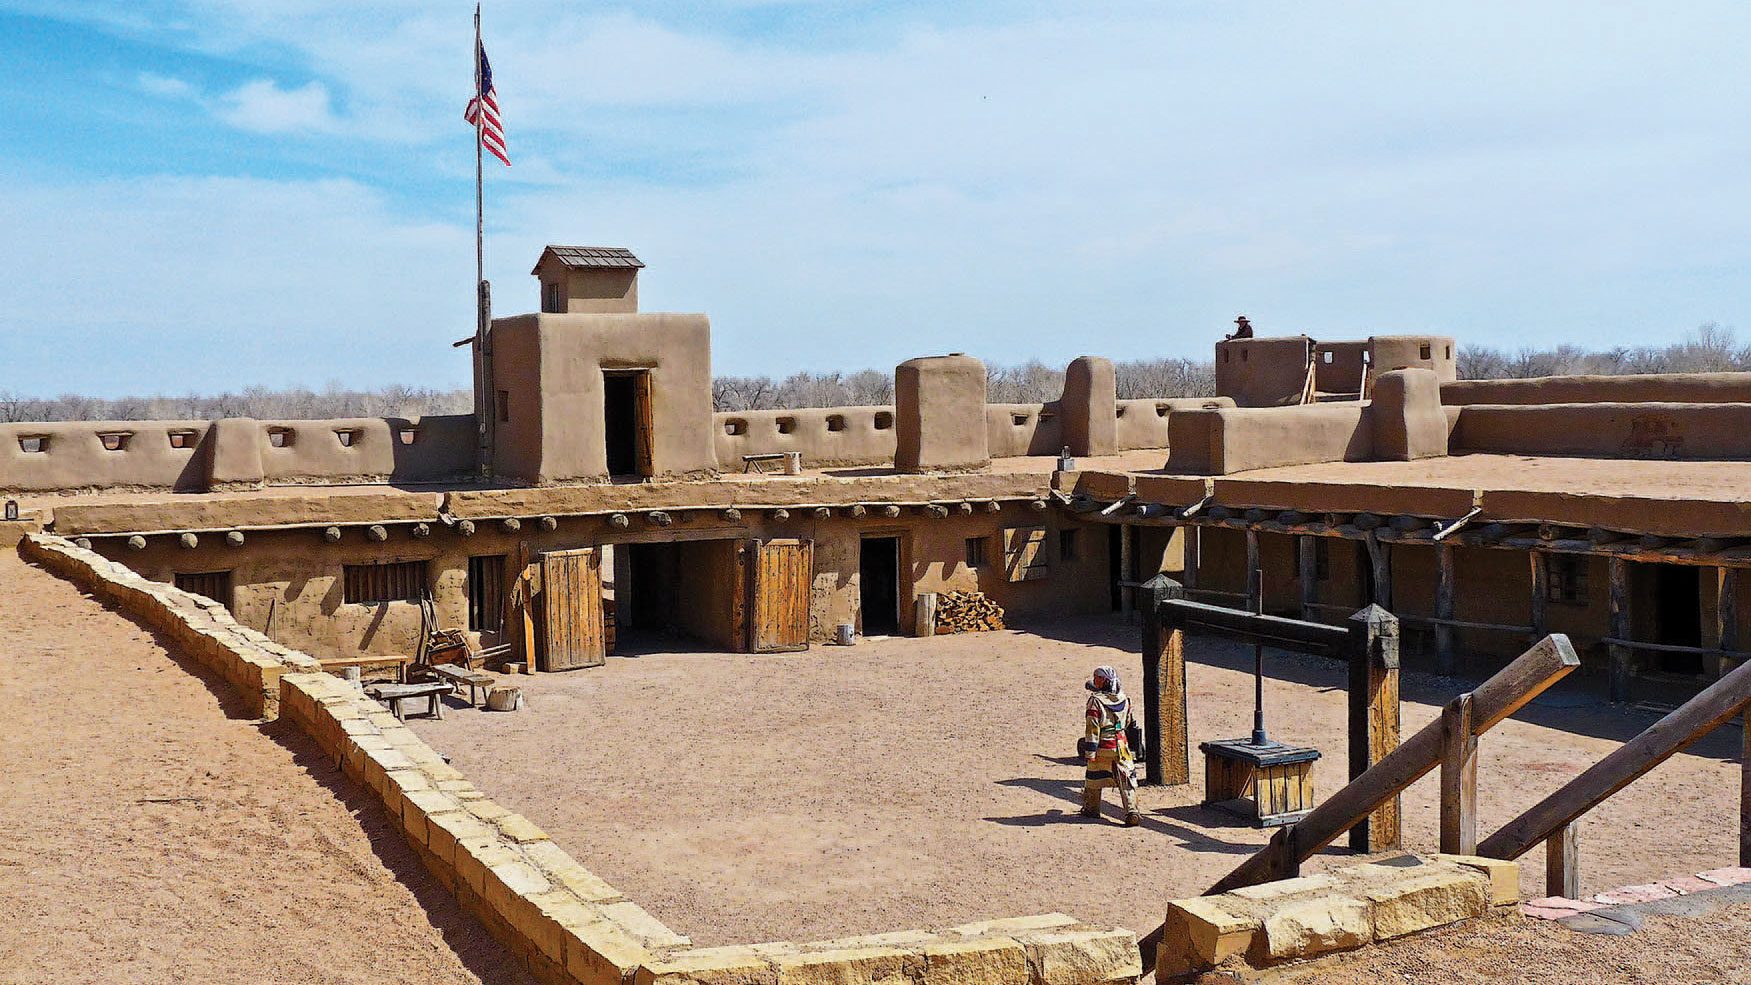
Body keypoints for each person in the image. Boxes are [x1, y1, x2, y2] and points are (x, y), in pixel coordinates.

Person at [1081, 665, 1142, 827]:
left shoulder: (1095, 701)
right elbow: (1128, 721)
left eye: (1097, 678)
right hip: (1121, 745)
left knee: (1093, 776)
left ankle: (1091, 808)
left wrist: (1090, 751)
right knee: (1126, 777)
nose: (1094, 681)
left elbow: (1092, 727)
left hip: (1102, 745)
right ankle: (1131, 810)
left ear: (1103, 681)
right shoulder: (1124, 699)